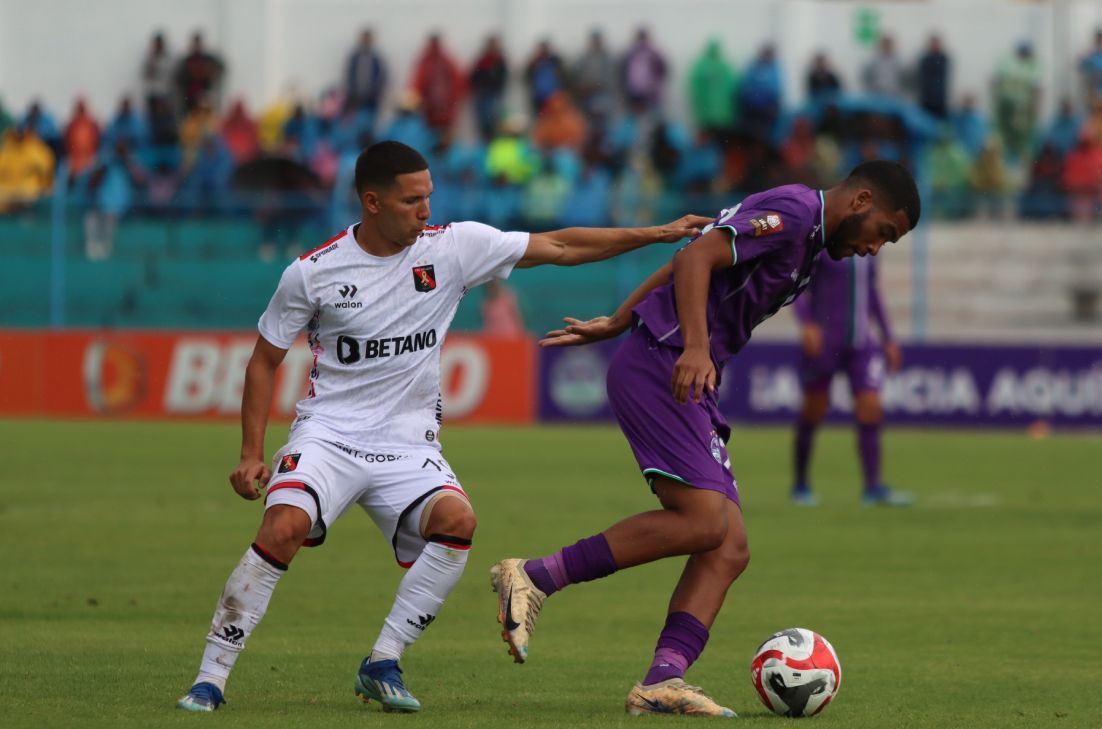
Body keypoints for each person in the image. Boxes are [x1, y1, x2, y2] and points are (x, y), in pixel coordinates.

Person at [174, 140, 710, 713]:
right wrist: (251, 451)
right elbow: (264, 359)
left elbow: (558, 244)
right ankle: (210, 678)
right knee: (283, 527)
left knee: (458, 522)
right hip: (328, 434)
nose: (426, 210)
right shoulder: (312, 274)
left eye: (428, 196)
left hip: (407, 442)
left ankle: (383, 661)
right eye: (412, 201)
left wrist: (657, 234)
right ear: (372, 202)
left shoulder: (454, 248)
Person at [490, 160, 920, 716]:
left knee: (728, 546)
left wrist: (620, 318)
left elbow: (689, 257)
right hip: (665, 364)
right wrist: (694, 345)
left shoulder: (809, 238)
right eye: (884, 233)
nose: (875, 249)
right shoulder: (794, 212)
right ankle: (534, 576)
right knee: (704, 521)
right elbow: (697, 257)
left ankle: (662, 680)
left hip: (679, 365)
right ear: (862, 201)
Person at [789, 244, 909, 507]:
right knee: (814, 410)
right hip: (825, 340)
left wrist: (888, 336)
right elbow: (796, 286)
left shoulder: (870, 244)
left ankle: (873, 487)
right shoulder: (824, 242)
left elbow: (873, 291)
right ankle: (800, 484)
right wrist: (806, 323)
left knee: (871, 408)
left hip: (862, 343)